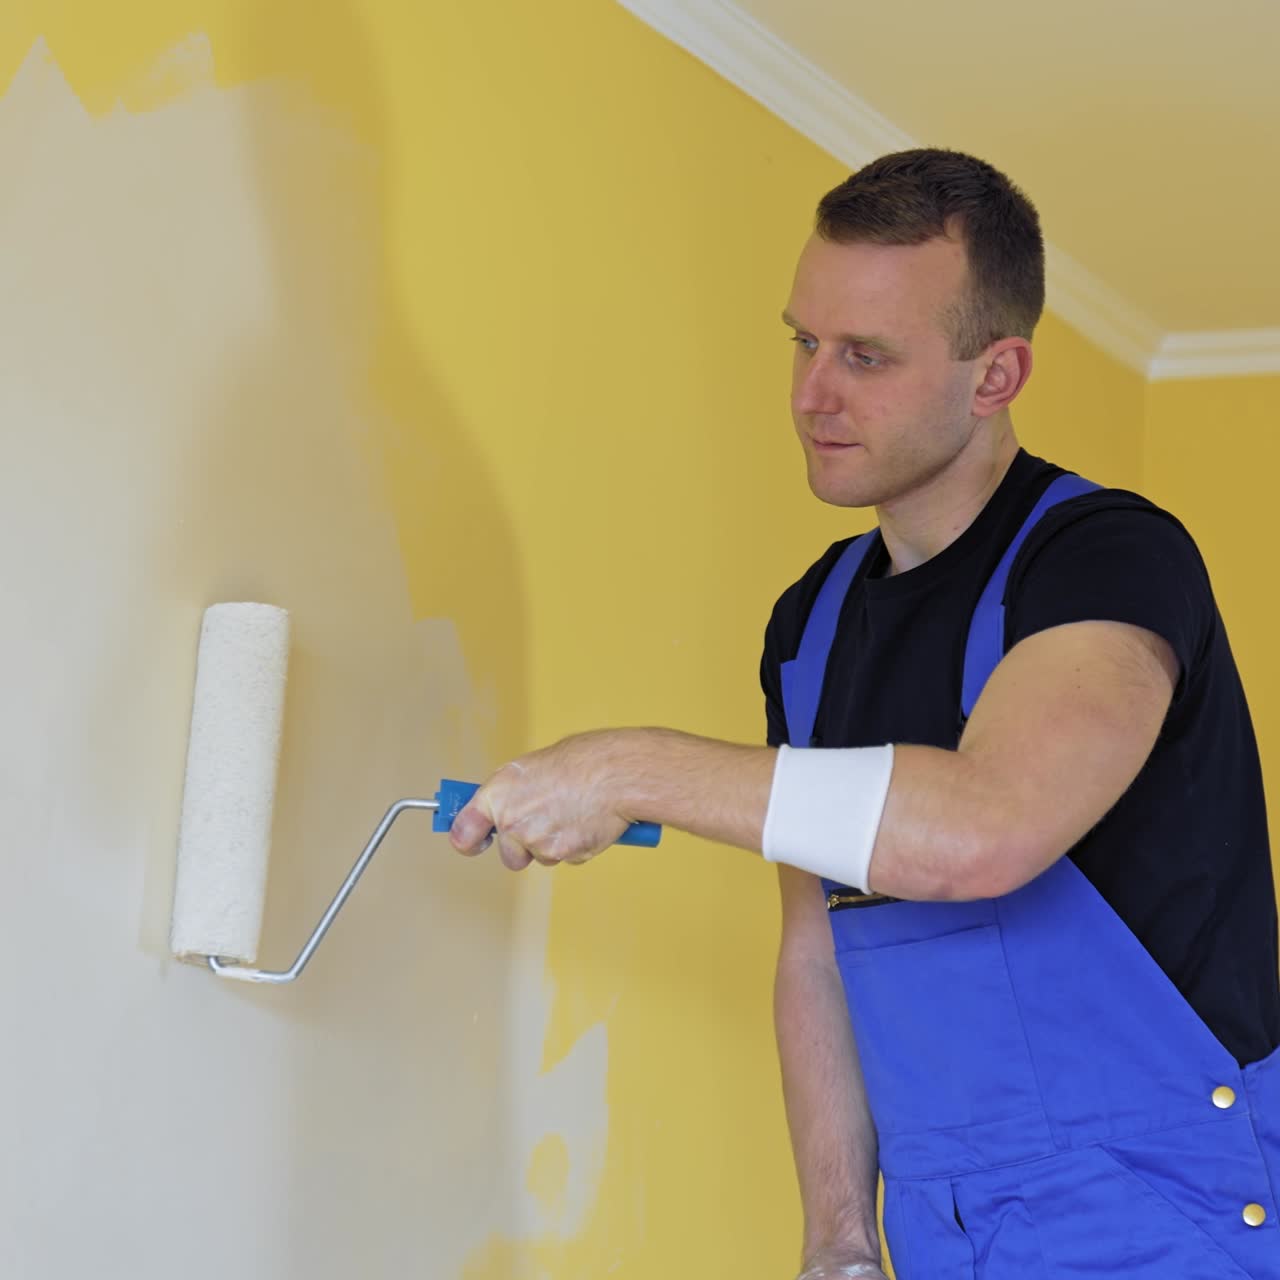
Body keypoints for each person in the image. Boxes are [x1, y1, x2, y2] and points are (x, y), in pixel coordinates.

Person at [449, 149, 1280, 1278]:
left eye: (865, 356)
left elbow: (984, 829)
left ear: (995, 374)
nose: (811, 393)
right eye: (803, 341)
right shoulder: (813, 623)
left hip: (1165, 1217)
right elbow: (817, 954)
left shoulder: (1108, 557)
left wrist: (626, 767)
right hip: (948, 1233)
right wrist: (838, 1241)